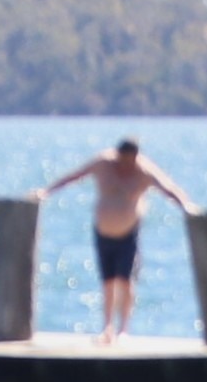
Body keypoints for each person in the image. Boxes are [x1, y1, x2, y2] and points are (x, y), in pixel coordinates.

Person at [36, 136, 198, 339]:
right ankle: (107, 327)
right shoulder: (102, 163)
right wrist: (47, 191)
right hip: (103, 232)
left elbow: (169, 189)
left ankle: (124, 329)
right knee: (108, 281)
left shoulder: (144, 171)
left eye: (130, 161)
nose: (125, 166)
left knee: (126, 280)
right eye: (122, 160)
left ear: (136, 157)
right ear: (117, 155)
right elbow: (74, 176)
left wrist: (186, 206)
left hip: (128, 233)